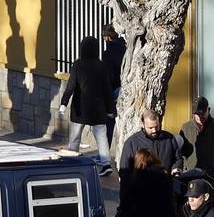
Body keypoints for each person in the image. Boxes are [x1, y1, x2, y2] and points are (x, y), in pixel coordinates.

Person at [61, 38, 116, 168]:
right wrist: (110, 110)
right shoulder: (101, 65)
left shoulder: (78, 64)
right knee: (101, 138)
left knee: (75, 137)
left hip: (80, 108)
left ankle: (72, 161)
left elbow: (71, 86)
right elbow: (107, 89)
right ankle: (106, 163)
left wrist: (64, 103)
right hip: (98, 108)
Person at [118, 113, 183, 182]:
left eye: (156, 126)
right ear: (143, 125)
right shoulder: (132, 142)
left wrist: (176, 169)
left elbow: (177, 158)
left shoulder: (169, 138)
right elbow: (125, 169)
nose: (154, 130)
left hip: (165, 185)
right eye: (150, 128)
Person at [179, 98, 214, 178]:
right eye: (197, 114)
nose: (199, 117)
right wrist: (186, 165)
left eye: (202, 113)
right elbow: (181, 151)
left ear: (208, 110)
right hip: (192, 174)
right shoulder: (186, 128)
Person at [99, 26, 126, 111]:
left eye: (103, 36)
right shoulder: (125, 48)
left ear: (107, 37)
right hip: (125, 86)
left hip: (114, 90)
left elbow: (108, 75)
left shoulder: (108, 54)